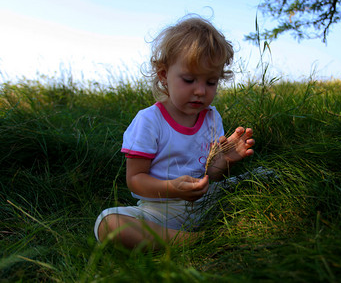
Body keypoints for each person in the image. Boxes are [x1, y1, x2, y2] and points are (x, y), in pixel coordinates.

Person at [94, 16, 255, 250]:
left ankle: (204, 232)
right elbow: (135, 180)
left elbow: (210, 174)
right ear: (163, 75)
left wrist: (225, 160)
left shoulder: (211, 117)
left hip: (208, 201)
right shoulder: (149, 120)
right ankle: (194, 241)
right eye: (189, 80)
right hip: (162, 211)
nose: (200, 91)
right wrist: (172, 188)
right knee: (108, 223)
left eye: (211, 82)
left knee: (265, 176)